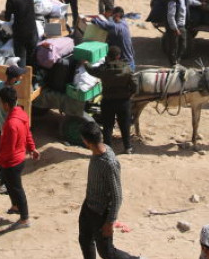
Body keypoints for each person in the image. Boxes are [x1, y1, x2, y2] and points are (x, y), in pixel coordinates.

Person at [78, 121, 139, 259]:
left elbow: (117, 196)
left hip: (101, 213)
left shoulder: (109, 163)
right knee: (85, 240)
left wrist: (109, 222)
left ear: (86, 142)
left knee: (107, 253)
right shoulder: (98, 150)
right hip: (88, 206)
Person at [0, 85, 39, 228]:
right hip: (19, 159)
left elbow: (9, 148)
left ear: (6, 104)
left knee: (16, 188)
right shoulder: (21, 114)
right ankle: (15, 206)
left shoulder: (10, 124)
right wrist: (32, 148)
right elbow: (28, 134)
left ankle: (25, 218)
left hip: (11, 162)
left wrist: (0, 160)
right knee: (10, 185)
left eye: (1, 102)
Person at [86, 47, 136, 153]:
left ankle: (108, 149)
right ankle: (128, 147)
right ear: (118, 56)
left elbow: (91, 70)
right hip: (124, 101)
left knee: (108, 125)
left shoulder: (104, 69)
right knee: (125, 125)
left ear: (108, 56)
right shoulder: (126, 68)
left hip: (108, 101)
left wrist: (85, 63)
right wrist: (129, 94)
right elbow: (135, 85)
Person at [5, 0, 38, 67]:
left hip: (20, 33)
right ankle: (34, 78)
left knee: (21, 59)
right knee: (32, 58)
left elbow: (7, 18)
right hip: (32, 30)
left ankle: (23, 79)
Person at [163, 0, 202, 65]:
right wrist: (175, 29)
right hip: (175, 27)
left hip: (182, 27)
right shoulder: (173, 1)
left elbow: (194, 2)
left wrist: (201, 4)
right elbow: (170, 16)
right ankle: (173, 64)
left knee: (183, 45)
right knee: (174, 47)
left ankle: (177, 60)